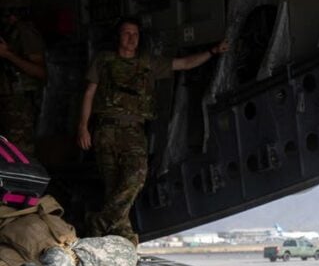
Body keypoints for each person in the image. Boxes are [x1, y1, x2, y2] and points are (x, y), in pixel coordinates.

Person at [76, 16, 229, 245]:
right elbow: (89, 93)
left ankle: (98, 223)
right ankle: (125, 240)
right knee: (113, 186)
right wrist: (83, 127)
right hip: (106, 129)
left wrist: (213, 51)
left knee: (136, 177)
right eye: (127, 33)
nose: (131, 38)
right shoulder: (104, 61)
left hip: (134, 132)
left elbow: (185, 63)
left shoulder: (148, 63)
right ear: (118, 36)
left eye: (135, 34)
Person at [0, 0, 46, 155]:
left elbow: (40, 71)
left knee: (20, 155)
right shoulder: (8, 32)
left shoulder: (25, 32)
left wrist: (8, 55)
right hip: (7, 103)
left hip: (20, 105)